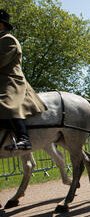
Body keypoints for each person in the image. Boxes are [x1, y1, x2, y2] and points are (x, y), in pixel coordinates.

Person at [0, 9, 47, 150]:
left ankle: (23, 138)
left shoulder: (8, 40)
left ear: (1, 25)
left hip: (10, 81)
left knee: (5, 104)